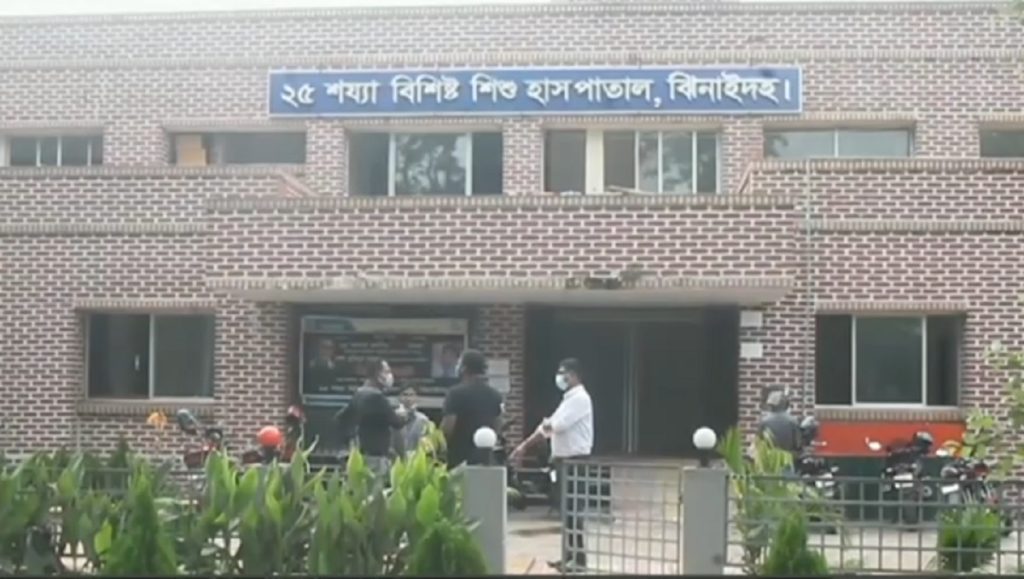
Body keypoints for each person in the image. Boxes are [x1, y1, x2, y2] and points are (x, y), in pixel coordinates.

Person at [509, 358, 593, 573]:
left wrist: (547, 425)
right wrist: (524, 446)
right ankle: (569, 557)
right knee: (566, 511)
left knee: (573, 511)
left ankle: (578, 560)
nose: (560, 377)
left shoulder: (579, 399)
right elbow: (545, 428)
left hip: (574, 461)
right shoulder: (568, 399)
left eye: (564, 373)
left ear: (574, 375)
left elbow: (557, 425)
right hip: (562, 461)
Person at [334, 358, 409, 477]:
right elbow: (397, 423)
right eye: (387, 371)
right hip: (375, 459)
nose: (390, 375)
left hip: (361, 454)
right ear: (378, 374)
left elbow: (340, 418)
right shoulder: (376, 397)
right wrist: (403, 414)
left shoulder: (359, 394)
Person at [441, 349, 503, 469]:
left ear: (464, 368)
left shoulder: (455, 394)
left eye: (459, 363)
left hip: (458, 459)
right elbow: (498, 425)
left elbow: (448, 428)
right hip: (485, 459)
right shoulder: (495, 395)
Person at [758, 388, 801, 458]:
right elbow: (798, 444)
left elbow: (759, 442)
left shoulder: (764, 421)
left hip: (769, 458)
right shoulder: (792, 421)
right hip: (788, 458)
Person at [397, 385, 431, 456]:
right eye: (405, 395)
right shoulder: (392, 417)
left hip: (416, 459)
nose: (408, 399)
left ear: (416, 398)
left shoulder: (423, 420)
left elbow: (427, 445)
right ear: (399, 398)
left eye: (411, 395)